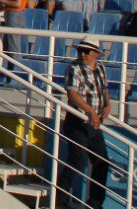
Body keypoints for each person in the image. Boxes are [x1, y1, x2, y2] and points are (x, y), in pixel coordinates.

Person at [57, 36, 112, 209]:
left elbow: (103, 89)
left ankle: (95, 203)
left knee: (101, 162)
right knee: (78, 160)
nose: (82, 54)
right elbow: (72, 95)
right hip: (77, 120)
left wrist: (108, 104)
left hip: (93, 122)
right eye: (80, 51)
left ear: (95, 54)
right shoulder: (74, 68)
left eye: (86, 51)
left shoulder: (100, 68)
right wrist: (91, 111)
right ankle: (59, 200)